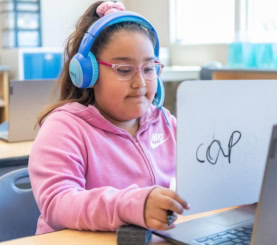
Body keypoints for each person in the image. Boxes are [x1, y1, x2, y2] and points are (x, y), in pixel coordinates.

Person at [28, 1, 190, 235]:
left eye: (148, 69)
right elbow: (58, 202)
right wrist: (133, 206)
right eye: (124, 70)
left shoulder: (165, 123)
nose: (140, 83)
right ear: (87, 73)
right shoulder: (65, 128)